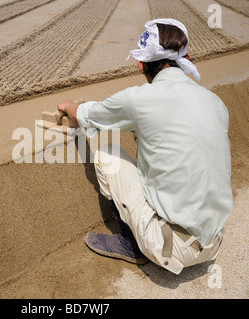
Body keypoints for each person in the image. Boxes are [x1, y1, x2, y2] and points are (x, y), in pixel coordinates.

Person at [57, 18, 233, 274]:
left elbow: (87, 115)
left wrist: (67, 105)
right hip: (214, 240)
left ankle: (133, 244)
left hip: (172, 248)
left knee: (108, 152)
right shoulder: (214, 101)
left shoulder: (138, 99)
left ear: (141, 65)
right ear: (187, 57)